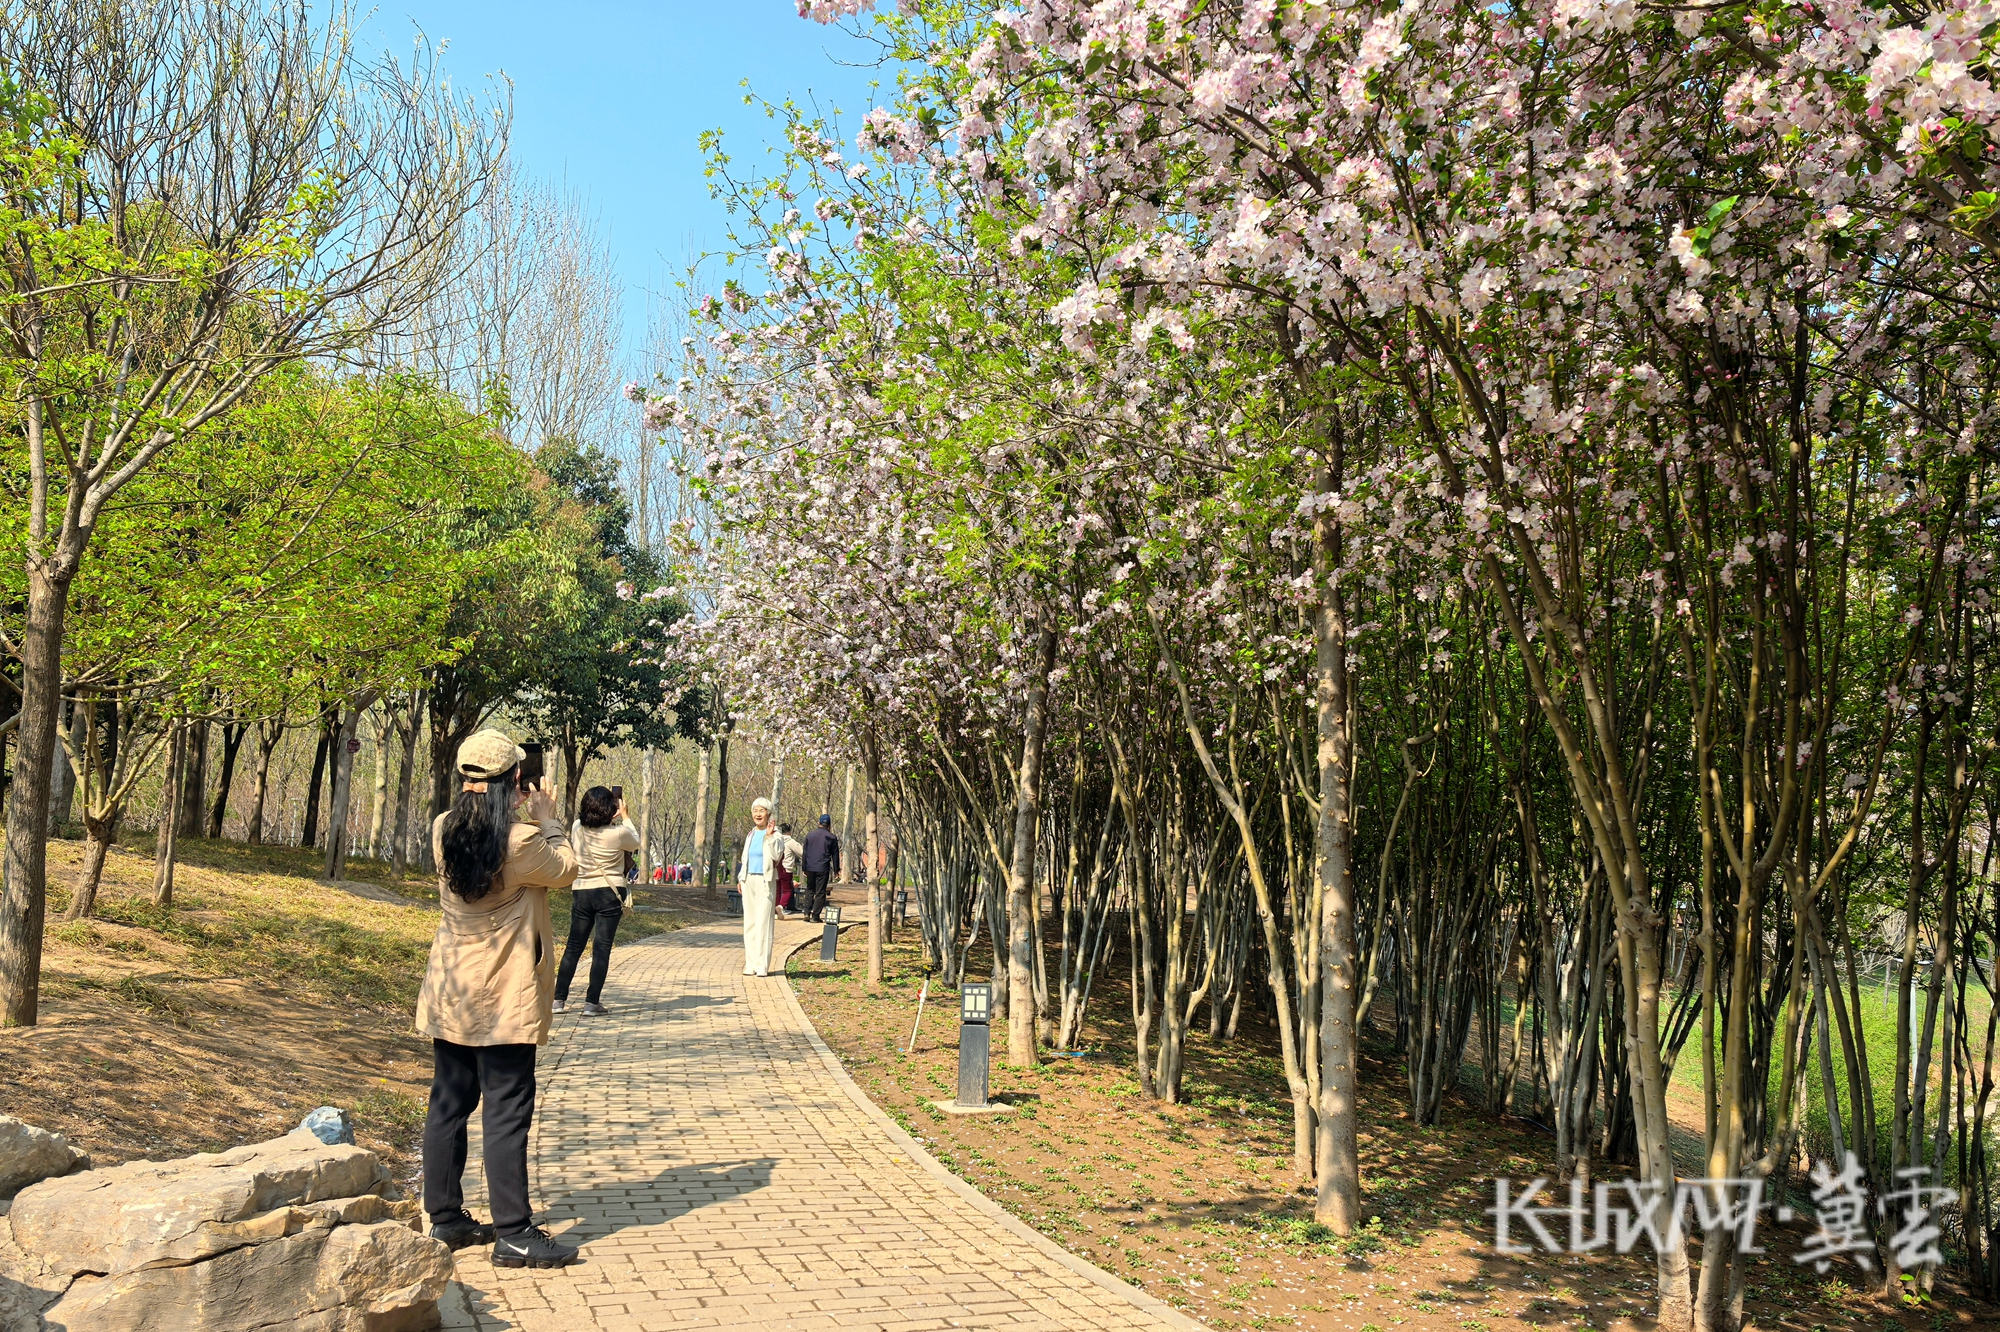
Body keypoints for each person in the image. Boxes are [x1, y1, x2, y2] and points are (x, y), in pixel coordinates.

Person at [415, 729, 581, 1269]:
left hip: (452, 986)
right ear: (516, 780)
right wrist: (550, 816)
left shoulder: (442, 828)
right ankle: (513, 1233)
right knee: (507, 1109)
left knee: (449, 1101)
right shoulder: (524, 841)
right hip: (505, 990)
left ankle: (444, 1218)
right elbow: (568, 870)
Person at [556, 785, 636, 1017]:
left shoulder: (577, 827)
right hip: (609, 893)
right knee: (601, 949)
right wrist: (626, 816)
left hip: (581, 890)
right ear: (610, 808)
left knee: (573, 946)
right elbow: (635, 842)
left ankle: (558, 1000)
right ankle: (592, 1003)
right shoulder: (619, 833)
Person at [736, 797, 783, 976]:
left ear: (768, 814)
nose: (758, 814)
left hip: (765, 881)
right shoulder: (751, 834)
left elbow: (776, 855)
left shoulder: (775, 834)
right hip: (749, 881)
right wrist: (741, 878)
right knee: (750, 923)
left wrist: (770, 837)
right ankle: (751, 964)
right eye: (755, 810)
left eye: (761, 811)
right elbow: (744, 858)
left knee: (763, 922)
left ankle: (762, 965)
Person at [801, 813, 841, 923]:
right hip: (823, 867)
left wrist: (804, 867)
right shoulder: (832, 837)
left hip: (810, 867)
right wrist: (837, 870)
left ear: (818, 823)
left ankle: (806, 912)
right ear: (829, 825)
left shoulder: (810, 835)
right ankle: (815, 916)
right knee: (820, 892)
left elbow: (805, 853)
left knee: (809, 889)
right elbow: (835, 855)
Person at [774, 821, 800, 917]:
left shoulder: (775, 840)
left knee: (777, 890)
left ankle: (775, 911)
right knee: (787, 890)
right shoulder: (790, 841)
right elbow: (802, 852)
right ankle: (781, 906)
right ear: (789, 831)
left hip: (776, 868)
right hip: (786, 868)